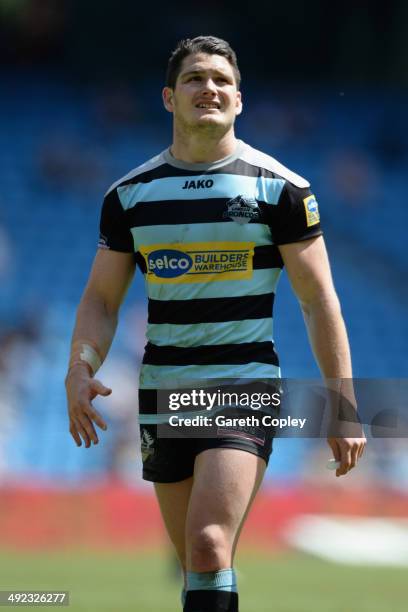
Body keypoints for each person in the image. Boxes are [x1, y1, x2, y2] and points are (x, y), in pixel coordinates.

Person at [65, 36, 366, 612]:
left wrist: (343, 401)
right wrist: (80, 366)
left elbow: (318, 299)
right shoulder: (129, 196)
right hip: (163, 389)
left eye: (222, 80)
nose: (210, 89)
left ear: (240, 99)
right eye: (196, 79)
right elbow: (101, 300)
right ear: (168, 98)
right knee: (196, 567)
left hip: (243, 382)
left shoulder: (281, 189)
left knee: (207, 545)